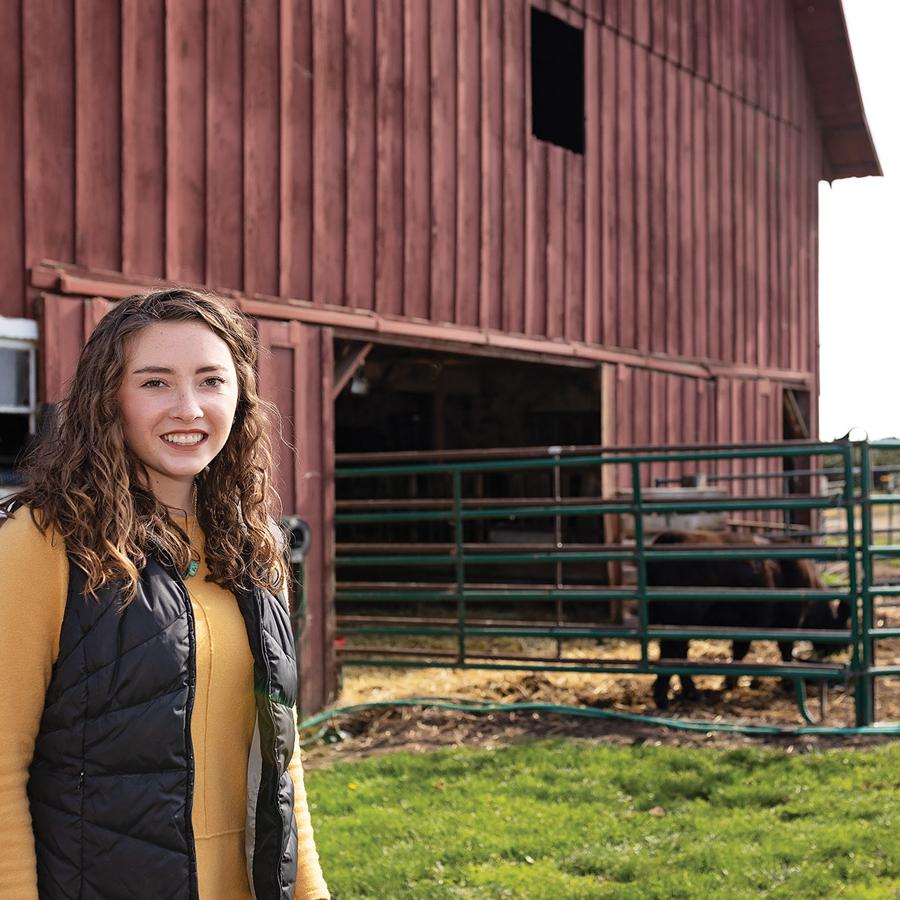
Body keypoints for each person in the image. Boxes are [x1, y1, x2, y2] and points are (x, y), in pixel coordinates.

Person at [0, 289, 330, 899]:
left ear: (241, 396)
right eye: (155, 383)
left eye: (212, 380)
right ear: (110, 399)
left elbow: (280, 757)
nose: (189, 408)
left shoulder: (254, 546)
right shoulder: (41, 543)